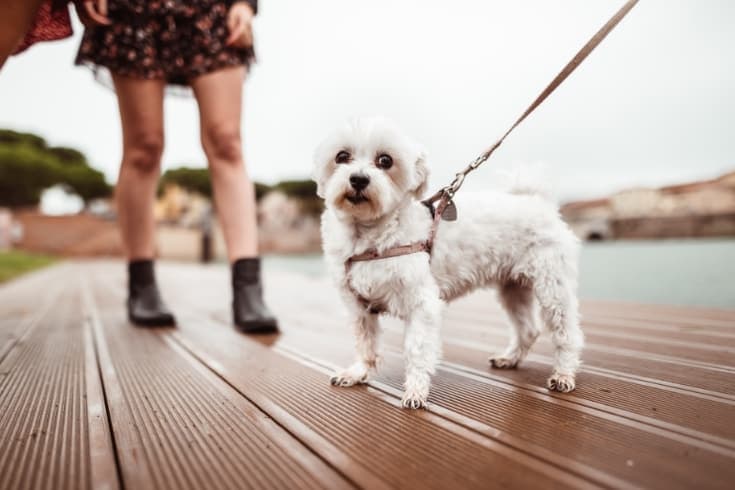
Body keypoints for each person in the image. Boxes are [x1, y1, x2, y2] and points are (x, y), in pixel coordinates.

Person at [77, 0, 277, 333]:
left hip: (211, 10)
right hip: (133, 12)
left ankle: (248, 288)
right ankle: (142, 284)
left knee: (227, 141)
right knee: (144, 147)